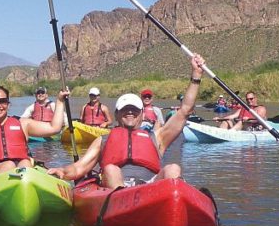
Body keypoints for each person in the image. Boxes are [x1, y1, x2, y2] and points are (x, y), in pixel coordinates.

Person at [49, 55, 207, 187]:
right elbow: (80, 168)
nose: (130, 112)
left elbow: (185, 110)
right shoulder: (103, 140)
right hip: (117, 187)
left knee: (173, 168)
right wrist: (62, 171)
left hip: (150, 186)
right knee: (111, 169)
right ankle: (123, 208)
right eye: (125, 109)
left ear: (141, 114)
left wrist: (196, 76)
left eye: (134, 110)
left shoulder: (157, 137)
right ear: (117, 114)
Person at [0, 86, 70, 179]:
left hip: (22, 166)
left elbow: (54, 128)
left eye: (3, 101)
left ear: (8, 105)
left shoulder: (23, 124)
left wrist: (60, 101)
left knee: (25, 163)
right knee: (8, 165)